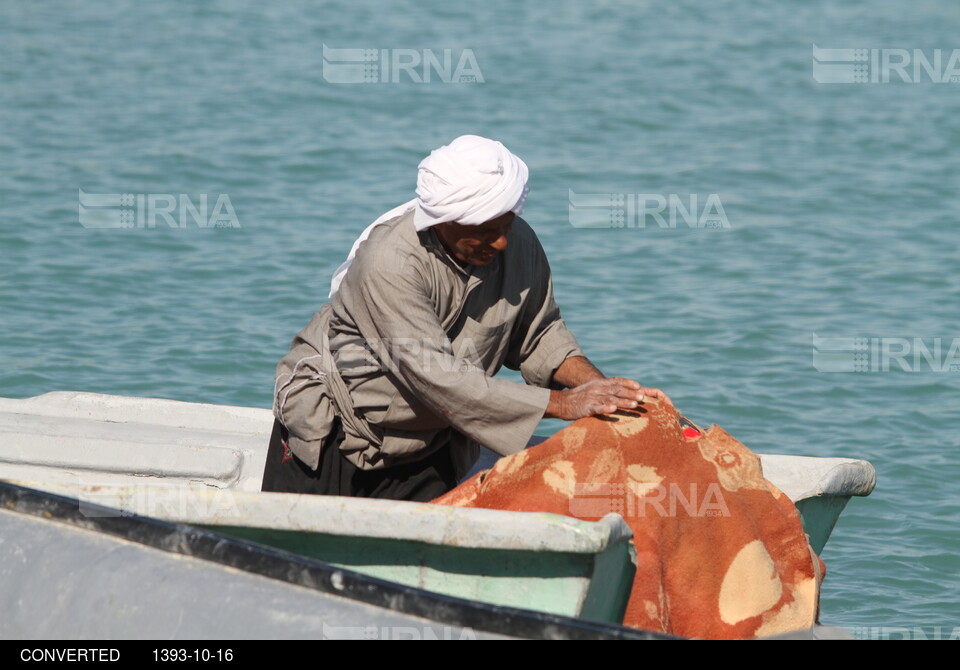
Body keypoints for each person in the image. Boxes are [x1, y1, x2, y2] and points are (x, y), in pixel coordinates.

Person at [263, 135, 672, 501]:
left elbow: (540, 334)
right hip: (340, 432)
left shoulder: (517, 243)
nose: (500, 241)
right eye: (484, 229)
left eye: (507, 224)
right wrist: (565, 404)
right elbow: (437, 377)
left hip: (432, 439)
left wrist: (606, 392)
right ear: (443, 220)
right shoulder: (390, 262)